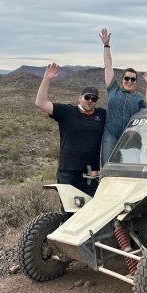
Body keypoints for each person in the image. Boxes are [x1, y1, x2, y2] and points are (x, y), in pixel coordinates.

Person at [35, 63, 106, 197]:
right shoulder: (67, 111)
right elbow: (40, 103)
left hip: (91, 174)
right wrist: (46, 79)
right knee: (69, 212)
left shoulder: (101, 115)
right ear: (80, 98)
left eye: (94, 99)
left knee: (91, 211)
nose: (90, 101)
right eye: (87, 97)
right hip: (68, 172)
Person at [99, 28, 146, 165]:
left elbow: (142, 118)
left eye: (133, 79)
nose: (129, 81)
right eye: (127, 78)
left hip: (130, 136)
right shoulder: (113, 89)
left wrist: (135, 131)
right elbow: (108, 66)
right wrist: (106, 45)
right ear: (122, 80)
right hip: (111, 134)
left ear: (136, 82)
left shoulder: (138, 98)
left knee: (131, 168)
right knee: (108, 166)